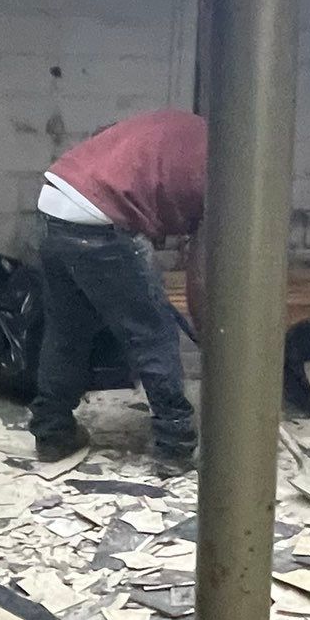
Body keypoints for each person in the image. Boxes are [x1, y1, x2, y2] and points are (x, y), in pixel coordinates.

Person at [31, 108, 205, 472]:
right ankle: (175, 444)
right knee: (153, 334)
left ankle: (52, 433)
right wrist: (205, 327)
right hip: (101, 219)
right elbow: (202, 266)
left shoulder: (178, 124)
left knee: (67, 331)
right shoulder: (220, 166)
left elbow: (104, 135)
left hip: (54, 200)